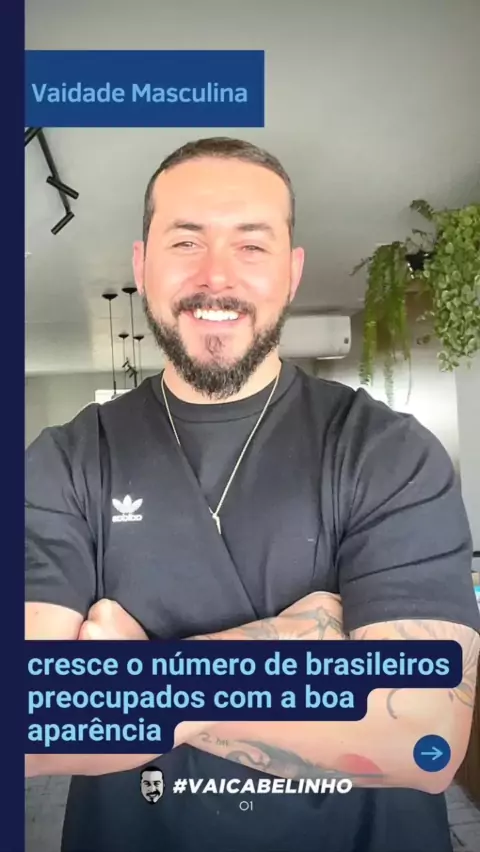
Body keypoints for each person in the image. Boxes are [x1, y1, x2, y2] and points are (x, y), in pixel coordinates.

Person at [25, 136, 480, 852]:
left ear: (291, 272)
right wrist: (315, 647)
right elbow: (32, 720)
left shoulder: (388, 451)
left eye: (251, 245)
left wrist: (144, 677)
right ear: (142, 266)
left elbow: (423, 736)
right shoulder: (66, 460)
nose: (217, 276)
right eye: (185, 241)